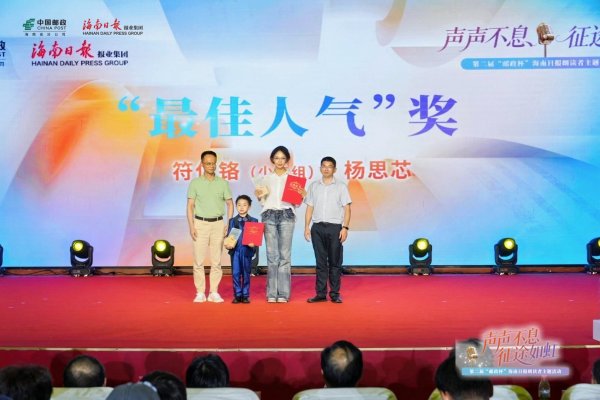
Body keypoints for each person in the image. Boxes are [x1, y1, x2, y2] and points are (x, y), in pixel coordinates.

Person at [256, 145, 304, 303]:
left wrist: (300, 196)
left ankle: (283, 293)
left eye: (283, 158)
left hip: (286, 215)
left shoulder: (293, 180)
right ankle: (271, 293)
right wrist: (259, 196)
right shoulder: (265, 179)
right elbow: (262, 201)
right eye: (276, 158)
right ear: (272, 160)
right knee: (272, 256)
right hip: (269, 215)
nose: (279, 161)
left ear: (287, 160)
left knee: (284, 256)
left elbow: (297, 203)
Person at [187, 150, 234, 303]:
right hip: (200, 223)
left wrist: (229, 223)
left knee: (216, 260)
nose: (211, 166)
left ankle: (214, 291)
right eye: (208, 163)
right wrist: (191, 226)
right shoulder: (195, 183)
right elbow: (190, 206)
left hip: (218, 224)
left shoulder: (223, 183)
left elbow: (230, 204)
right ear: (202, 164)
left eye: (213, 163)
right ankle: (200, 292)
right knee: (198, 260)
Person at [304, 156, 351, 304]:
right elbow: (310, 207)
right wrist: (306, 226)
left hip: (335, 227)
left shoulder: (341, 186)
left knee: (335, 262)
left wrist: (345, 227)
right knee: (320, 262)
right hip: (317, 227)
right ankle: (320, 293)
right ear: (320, 168)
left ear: (334, 169)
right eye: (323, 166)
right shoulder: (314, 186)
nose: (326, 169)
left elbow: (347, 208)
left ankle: (335, 293)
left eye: (329, 166)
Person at [225, 195, 258, 304]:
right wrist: (227, 244)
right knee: (235, 273)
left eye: (244, 205)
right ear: (236, 206)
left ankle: (245, 295)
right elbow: (229, 237)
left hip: (247, 251)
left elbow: (256, 238)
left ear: (249, 207)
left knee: (246, 273)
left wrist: (254, 244)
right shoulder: (232, 221)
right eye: (239, 205)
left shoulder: (254, 221)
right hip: (235, 251)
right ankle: (237, 295)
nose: (241, 207)